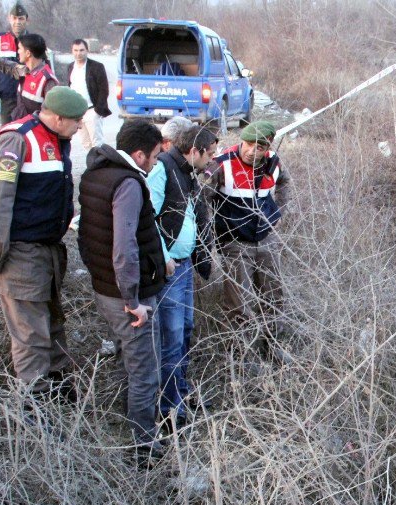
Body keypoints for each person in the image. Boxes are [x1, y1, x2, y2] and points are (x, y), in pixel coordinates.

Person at [0, 87, 87, 398]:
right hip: (20, 254)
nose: (80, 127)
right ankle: (35, 407)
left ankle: (61, 390)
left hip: (47, 251)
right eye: (76, 120)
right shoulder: (17, 140)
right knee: (30, 334)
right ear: (58, 116)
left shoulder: (57, 139)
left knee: (52, 323)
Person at [77, 120, 168, 463]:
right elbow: (124, 246)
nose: (157, 164)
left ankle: (123, 427)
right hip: (129, 296)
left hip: (105, 288)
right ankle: (143, 449)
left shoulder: (95, 174)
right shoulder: (128, 183)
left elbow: (86, 236)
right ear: (139, 154)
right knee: (144, 370)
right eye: (156, 156)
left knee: (126, 360)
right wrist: (132, 300)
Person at [147, 124, 217, 427]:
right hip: (170, 268)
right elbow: (145, 217)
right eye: (209, 154)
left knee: (185, 330)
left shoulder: (187, 171)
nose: (211, 160)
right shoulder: (162, 169)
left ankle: (180, 393)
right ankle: (169, 408)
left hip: (185, 264)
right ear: (193, 151)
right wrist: (163, 257)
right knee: (172, 337)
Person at [206, 121, 292, 352]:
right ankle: (240, 358)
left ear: (267, 147)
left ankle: (273, 347)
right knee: (238, 304)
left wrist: (278, 211)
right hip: (234, 242)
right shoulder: (221, 164)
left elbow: (284, 183)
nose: (252, 151)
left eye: (260, 147)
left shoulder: (273, 162)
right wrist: (214, 228)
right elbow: (203, 197)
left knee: (273, 296)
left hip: (265, 239)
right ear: (242, 141)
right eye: (249, 144)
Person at [0, 34, 57, 121]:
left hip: (36, 129)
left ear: (28, 53)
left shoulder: (47, 80)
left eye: (20, 48)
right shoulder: (26, 71)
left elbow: (54, 114)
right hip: (24, 125)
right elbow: (8, 66)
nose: (18, 52)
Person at [0, 2, 28, 124]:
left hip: (29, 98)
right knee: (9, 137)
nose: (17, 22)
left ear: (27, 20)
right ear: (9, 19)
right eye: (14, 18)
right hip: (8, 99)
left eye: (21, 18)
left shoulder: (34, 41)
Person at [66, 39, 111, 150]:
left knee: (97, 143)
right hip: (78, 112)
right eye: (75, 50)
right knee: (85, 143)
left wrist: (98, 110)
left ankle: (101, 166)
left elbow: (103, 89)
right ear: (72, 51)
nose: (78, 53)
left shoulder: (96, 67)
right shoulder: (71, 67)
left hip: (92, 110)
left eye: (81, 50)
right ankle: (91, 166)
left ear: (87, 50)